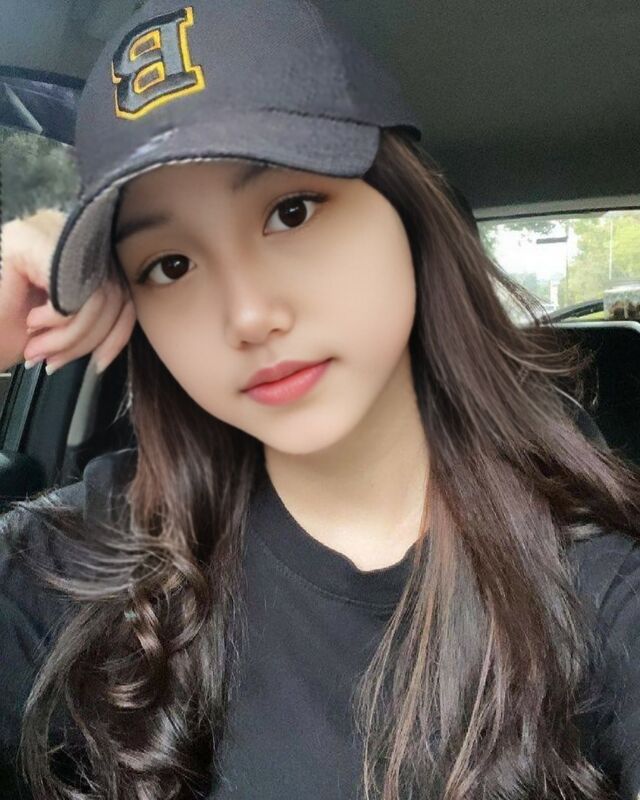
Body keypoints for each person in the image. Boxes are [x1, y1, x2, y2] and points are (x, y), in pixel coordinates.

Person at [1, 1, 640, 799]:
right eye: (170, 265)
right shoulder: (85, 562)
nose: (247, 315)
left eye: (291, 211)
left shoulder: (600, 588)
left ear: (409, 213)